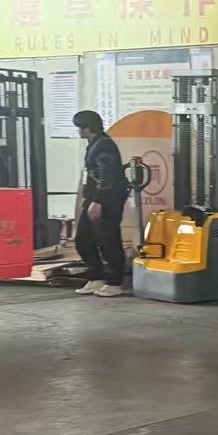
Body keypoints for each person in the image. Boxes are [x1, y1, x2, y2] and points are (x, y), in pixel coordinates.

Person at [72, 110, 130, 298]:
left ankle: (114, 282)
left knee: (108, 239)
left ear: (88, 127)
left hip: (108, 198)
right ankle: (97, 276)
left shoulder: (104, 145)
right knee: (83, 238)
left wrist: (98, 201)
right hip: (94, 196)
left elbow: (108, 176)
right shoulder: (93, 144)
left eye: (80, 127)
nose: (78, 131)